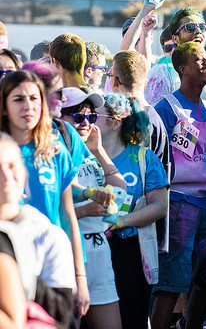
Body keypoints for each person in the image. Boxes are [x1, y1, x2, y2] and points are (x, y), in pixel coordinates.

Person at [0, 70, 90, 318]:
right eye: (18, 99)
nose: (28, 106)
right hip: (6, 260)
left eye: (34, 98)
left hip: (51, 266)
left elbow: (67, 214)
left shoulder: (55, 149)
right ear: (4, 107)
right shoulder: (2, 151)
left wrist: (79, 278)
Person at [151, 42, 206, 329]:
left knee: (205, 278)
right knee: (172, 280)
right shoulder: (167, 107)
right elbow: (156, 156)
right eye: (199, 59)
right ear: (182, 68)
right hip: (179, 202)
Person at [97, 93, 168, 329]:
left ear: (115, 122)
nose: (87, 119)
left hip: (131, 251)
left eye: (95, 115)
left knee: (132, 317)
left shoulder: (144, 157)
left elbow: (159, 206)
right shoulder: (82, 156)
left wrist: (122, 221)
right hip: (93, 247)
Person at [61, 87, 125, 329]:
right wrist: (86, 210)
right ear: (59, 118)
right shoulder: (55, 156)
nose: (85, 123)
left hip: (99, 252)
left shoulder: (90, 153)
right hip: (69, 253)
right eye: (77, 117)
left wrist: (99, 152)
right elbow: (49, 213)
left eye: (90, 117)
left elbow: (120, 191)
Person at [0, 132, 76, 327]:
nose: (6, 176)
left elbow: (63, 312)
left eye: (12, 166)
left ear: (24, 172)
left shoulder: (48, 234)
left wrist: (15, 276)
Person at [109, 50, 169, 171]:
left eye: (110, 76)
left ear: (115, 80)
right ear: (145, 82)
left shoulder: (114, 118)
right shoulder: (156, 118)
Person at [144, 6, 206, 105]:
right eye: (190, 27)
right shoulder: (162, 71)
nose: (198, 32)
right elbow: (152, 114)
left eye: (202, 27)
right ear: (175, 39)